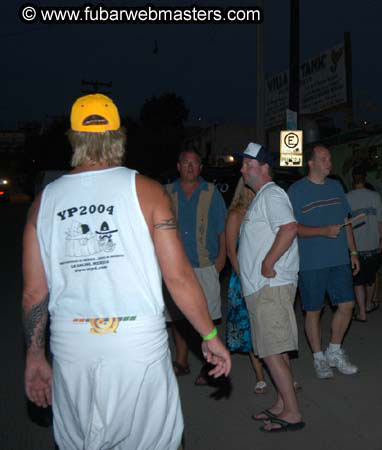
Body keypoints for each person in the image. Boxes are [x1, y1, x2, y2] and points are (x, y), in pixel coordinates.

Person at [23, 93, 231, 450]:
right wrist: (210, 336)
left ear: (73, 137)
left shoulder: (45, 201)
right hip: (137, 341)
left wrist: (34, 356)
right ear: (118, 135)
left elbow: (33, 294)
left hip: (72, 343)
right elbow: (178, 277)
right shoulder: (148, 191)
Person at [237, 143, 304, 432]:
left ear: (264, 167)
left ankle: (292, 413)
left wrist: (268, 262)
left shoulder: (273, 194)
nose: (242, 170)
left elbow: (289, 228)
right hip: (263, 289)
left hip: (270, 287)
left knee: (272, 351)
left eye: (247, 165)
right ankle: (281, 403)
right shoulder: (262, 197)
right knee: (274, 349)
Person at [288, 145, 360, 379]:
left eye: (329, 158)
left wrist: (353, 252)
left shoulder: (336, 186)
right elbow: (292, 228)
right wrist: (322, 231)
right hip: (311, 262)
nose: (329, 162)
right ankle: (319, 358)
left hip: (339, 259)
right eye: (324, 159)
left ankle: (334, 351)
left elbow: (345, 222)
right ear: (311, 163)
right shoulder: (297, 191)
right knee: (313, 311)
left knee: (347, 304)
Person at [164, 150, 227, 385]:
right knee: (177, 317)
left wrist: (222, 257)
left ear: (201, 167)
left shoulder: (211, 193)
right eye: (186, 163)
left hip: (205, 264)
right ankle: (181, 360)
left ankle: (208, 365)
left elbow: (222, 228)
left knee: (207, 318)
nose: (190, 167)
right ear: (178, 166)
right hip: (175, 266)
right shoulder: (166, 192)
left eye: (195, 163)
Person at [224, 178, 267, 393]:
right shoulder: (236, 214)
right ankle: (260, 376)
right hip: (243, 278)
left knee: (268, 326)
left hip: (265, 277)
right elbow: (232, 252)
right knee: (250, 329)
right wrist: (243, 278)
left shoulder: (263, 209)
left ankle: (281, 374)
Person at [346, 165, 382, 322]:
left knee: (358, 280)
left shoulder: (347, 197)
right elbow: (380, 221)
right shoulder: (374, 196)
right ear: (365, 178)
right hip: (372, 245)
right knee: (370, 279)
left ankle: (362, 312)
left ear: (353, 179)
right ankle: (369, 304)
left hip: (356, 248)